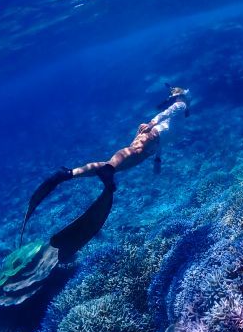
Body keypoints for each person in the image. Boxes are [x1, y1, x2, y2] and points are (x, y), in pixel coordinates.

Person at [19, 85, 191, 259]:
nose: (177, 100)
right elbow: (167, 112)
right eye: (177, 97)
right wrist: (152, 123)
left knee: (116, 165)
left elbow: (167, 131)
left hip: (152, 147)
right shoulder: (181, 105)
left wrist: (157, 159)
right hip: (151, 136)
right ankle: (106, 171)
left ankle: (67, 174)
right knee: (124, 158)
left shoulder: (180, 119)